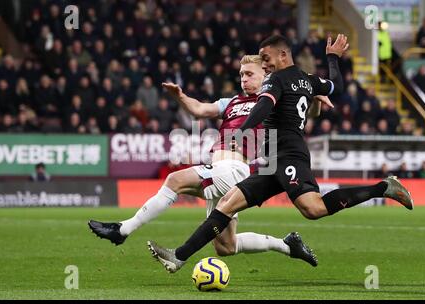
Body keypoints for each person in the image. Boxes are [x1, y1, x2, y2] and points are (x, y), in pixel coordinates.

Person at [147, 34, 414, 273]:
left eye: (266, 58)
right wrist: (333, 58)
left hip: (289, 155)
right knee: (227, 203)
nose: (264, 65)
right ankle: (178, 257)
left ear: (283, 54)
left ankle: (384, 187)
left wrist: (243, 132)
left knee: (313, 208)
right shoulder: (308, 80)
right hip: (272, 159)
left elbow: (263, 107)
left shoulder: (276, 79)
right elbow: (336, 86)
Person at [88, 55, 329, 265]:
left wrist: (315, 97)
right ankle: (287, 245)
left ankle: (123, 229)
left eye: (248, 74)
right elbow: (200, 110)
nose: (243, 79)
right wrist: (181, 97)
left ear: (266, 73)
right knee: (226, 246)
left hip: (236, 169)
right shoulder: (232, 102)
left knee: (175, 179)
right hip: (220, 170)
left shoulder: (274, 100)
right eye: (240, 74)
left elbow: (307, 113)